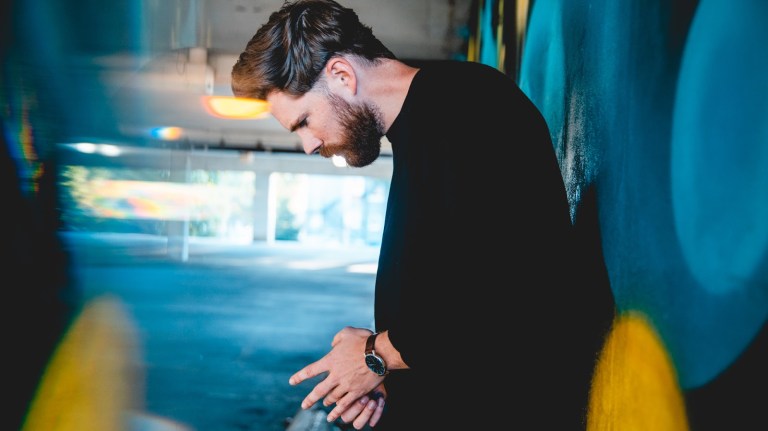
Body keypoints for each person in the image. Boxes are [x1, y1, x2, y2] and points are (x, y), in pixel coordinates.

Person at [232, 1, 605, 429]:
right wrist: (385, 377)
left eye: (304, 121)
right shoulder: (424, 130)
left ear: (341, 75)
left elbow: (516, 293)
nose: (309, 145)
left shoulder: (468, 109)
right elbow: (455, 300)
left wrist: (376, 354)